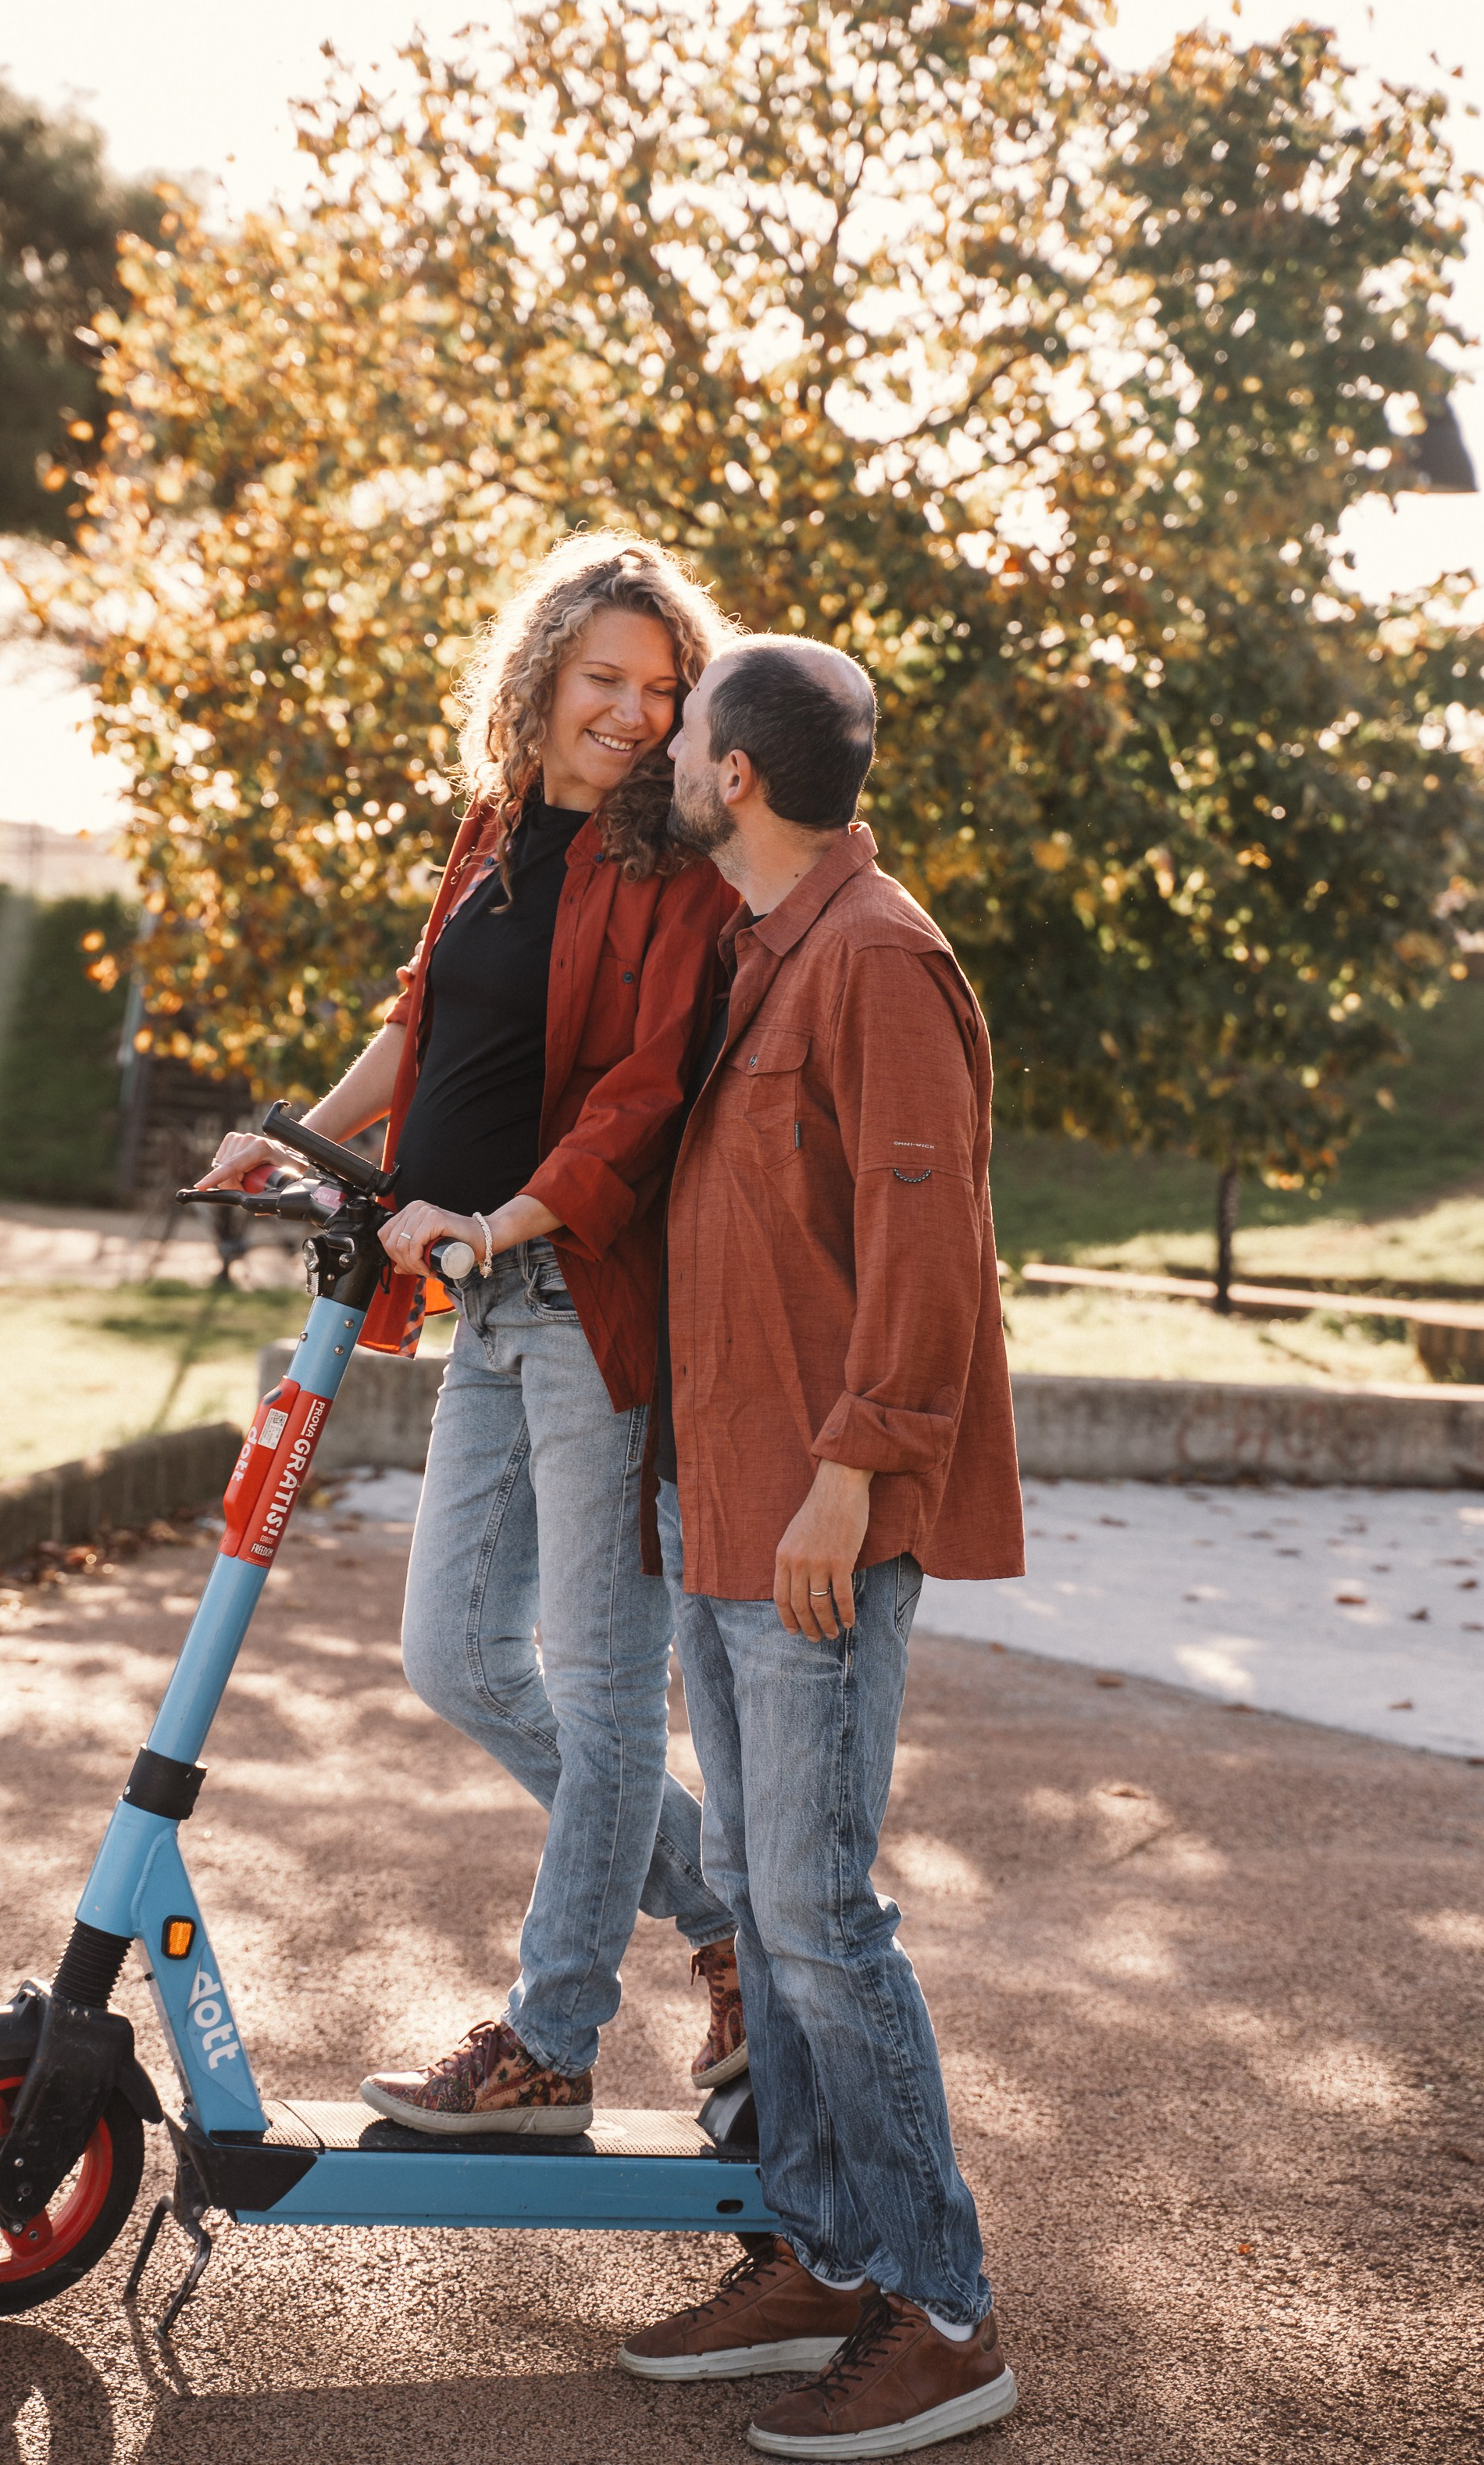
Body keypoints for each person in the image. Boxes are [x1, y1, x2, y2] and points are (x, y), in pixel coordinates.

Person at [199, 534, 747, 2135]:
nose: (636, 717)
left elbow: (644, 1095)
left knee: (594, 1686)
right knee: (451, 1657)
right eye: (603, 682)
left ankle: (550, 2040)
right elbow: (420, 1018)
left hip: (586, 1296)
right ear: (540, 680)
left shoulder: (676, 867)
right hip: (481, 1300)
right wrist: (294, 1138)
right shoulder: (498, 832)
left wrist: (511, 1218)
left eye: (660, 689)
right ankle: (730, 1930)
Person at [615, 636, 1025, 2456]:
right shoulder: (760, 952)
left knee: (814, 1914)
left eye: (688, 729)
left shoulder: (873, 960)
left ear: (738, 778)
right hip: (727, 1510)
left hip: (811, 1520)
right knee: (779, 1921)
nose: (666, 743)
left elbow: (930, 1255)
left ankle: (943, 2309)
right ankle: (827, 2254)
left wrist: (850, 1479)